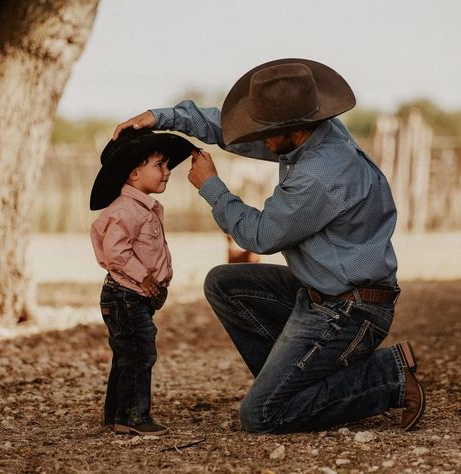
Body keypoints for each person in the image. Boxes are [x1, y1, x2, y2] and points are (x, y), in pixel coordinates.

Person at [112, 58, 425, 433]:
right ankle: (293, 385)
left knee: (261, 416)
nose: (255, 138)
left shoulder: (318, 176)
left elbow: (259, 236)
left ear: (292, 129)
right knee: (224, 284)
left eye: (263, 131)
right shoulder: (318, 132)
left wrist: (212, 187)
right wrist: (162, 117)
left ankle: (387, 376)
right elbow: (228, 129)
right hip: (321, 293)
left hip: (350, 311)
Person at [90, 127, 197, 435]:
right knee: (139, 354)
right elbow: (115, 251)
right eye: (160, 166)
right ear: (135, 174)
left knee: (127, 354)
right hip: (126, 294)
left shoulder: (142, 208)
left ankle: (116, 415)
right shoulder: (127, 210)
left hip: (130, 295)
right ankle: (133, 417)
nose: (167, 172)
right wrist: (145, 278)